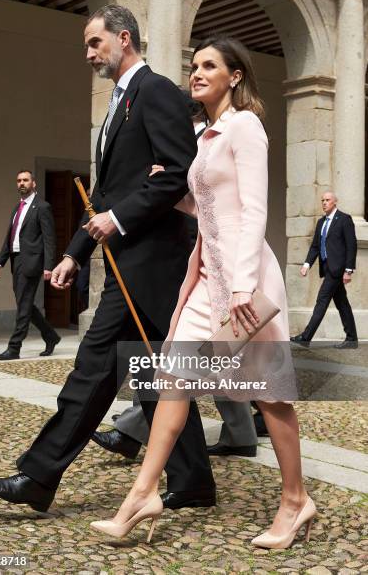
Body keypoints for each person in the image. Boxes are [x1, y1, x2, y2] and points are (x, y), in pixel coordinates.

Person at [0, 5, 215, 513]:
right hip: (128, 262)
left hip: (155, 263)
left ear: (123, 38)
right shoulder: (116, 103)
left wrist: (118, 219)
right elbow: (104, 192)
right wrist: (74, 253)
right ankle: (193, 481)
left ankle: (38, 477)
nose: (88, 54)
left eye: (93, 43)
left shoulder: (157, 93)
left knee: (94, 368)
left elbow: (177, 173)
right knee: (150, 377)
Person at [90, 36, 316, 550]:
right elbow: (208, 207)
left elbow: (253, 210)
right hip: (205, 276)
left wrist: (241, 284)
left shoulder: (246, 127)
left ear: (235, 75)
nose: (196, 73)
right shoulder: (204, 137)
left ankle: (295, 500)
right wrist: (171, 191)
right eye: (194, 65)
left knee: (269, 394)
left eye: (209, 66)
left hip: (244, 279)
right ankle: (142, 495)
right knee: (172, 377)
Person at [92, 91, 259, 460]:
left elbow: (235, 204)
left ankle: (134, 431)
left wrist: (169, 179)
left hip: (204, 257)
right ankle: (237, 433)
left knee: (190, 357)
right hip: (196, 254)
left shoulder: (212, 138)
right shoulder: (203, 140)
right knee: (198, 355)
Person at [0, 170, 60, 360]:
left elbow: (49, 239)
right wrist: (0, 261)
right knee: (26, 304)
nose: (22, 183)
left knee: (23, 305)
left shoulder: (42, 207)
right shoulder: (18, 207)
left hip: (32, 262)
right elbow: (10, 238)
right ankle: (51, 336)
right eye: (19, 180)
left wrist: (48, 266)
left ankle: (14, 347)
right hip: (17, 261)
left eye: (25, 180)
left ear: (33, 183)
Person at [291, 192, 357, 349]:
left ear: (335, 202)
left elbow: (351, 245)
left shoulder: (344, 219)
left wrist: (348, 270)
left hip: (337, 269)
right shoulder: (321, 222)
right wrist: (307, 264)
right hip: (327, 268)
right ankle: (352, 339)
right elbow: (315, 246)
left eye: (327, 200)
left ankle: (305, 338)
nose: (324, 203)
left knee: (321, 301)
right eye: (323, 200)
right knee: (342, 304)